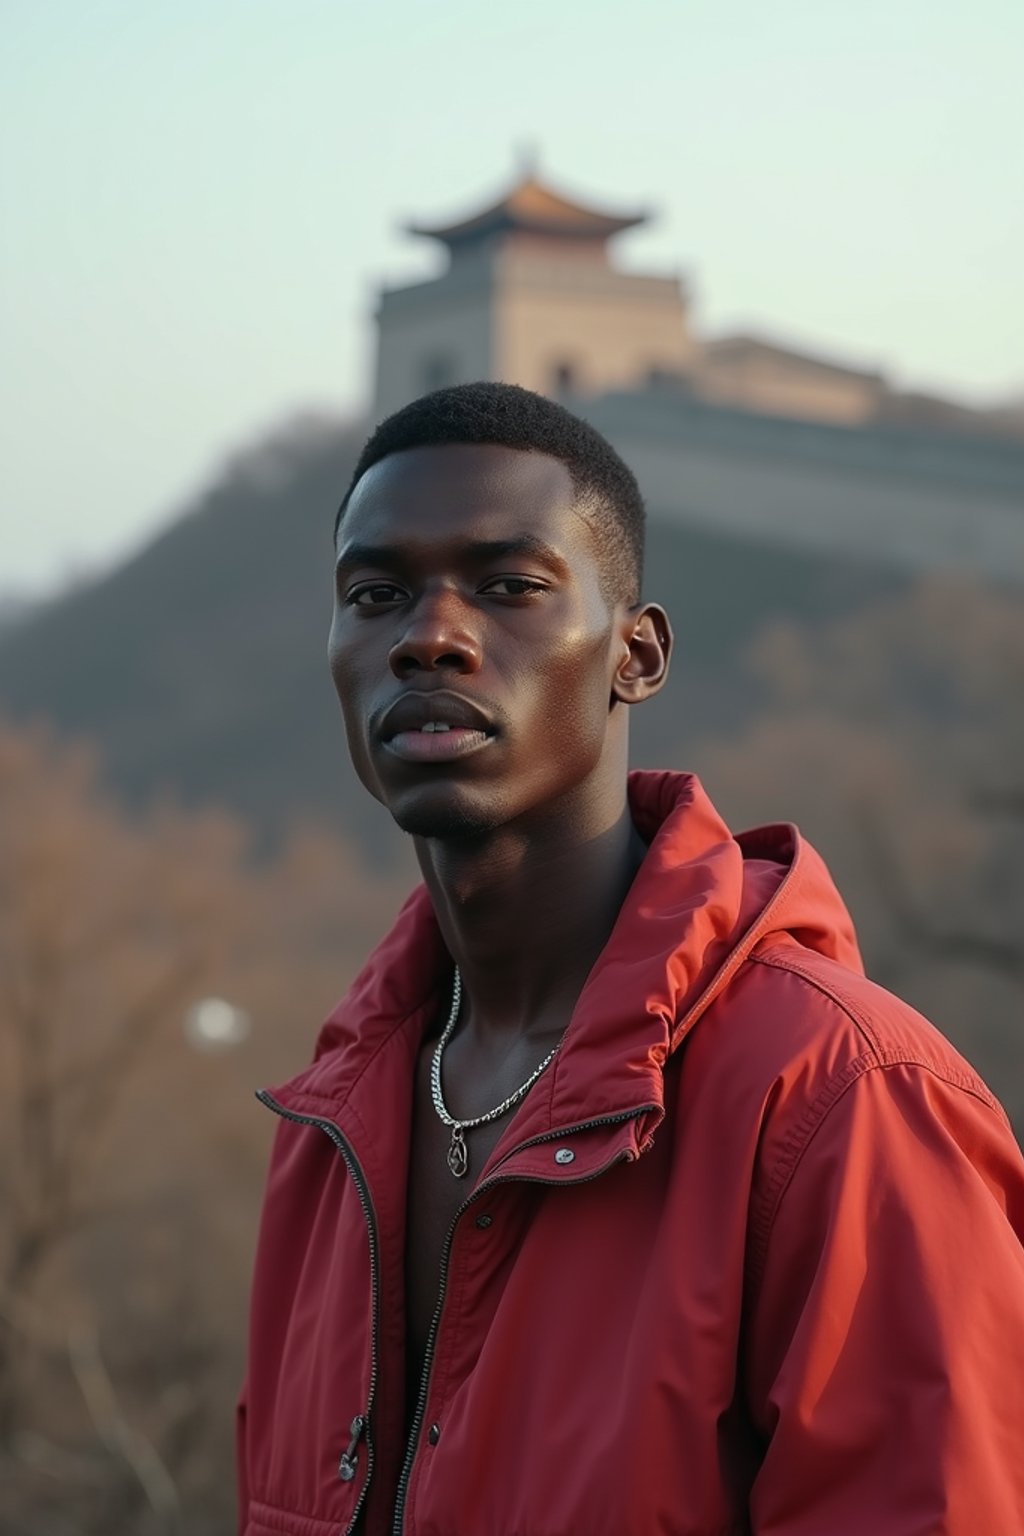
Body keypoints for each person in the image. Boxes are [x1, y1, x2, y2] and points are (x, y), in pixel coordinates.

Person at [237, 382, 1024, 1536]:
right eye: (375, 594)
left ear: (636, 655)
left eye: (508, 587)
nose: (429, 635)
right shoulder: (331, 1124)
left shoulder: (843, 1100)